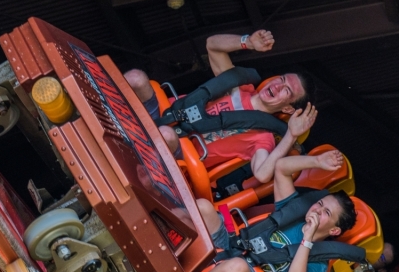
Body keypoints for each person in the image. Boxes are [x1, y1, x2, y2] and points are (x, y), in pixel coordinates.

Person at [124, 30, 316, 183]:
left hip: (177, 151)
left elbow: (262, 175)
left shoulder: (262, 137)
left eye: (287, 91)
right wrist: (247, 41)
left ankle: (127, 157)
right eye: (281, 79)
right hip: (164, 114)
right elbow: (212, 45)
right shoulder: (239, 85)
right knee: (136, 78)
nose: (277, 86)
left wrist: (291, 135)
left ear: (289, 109)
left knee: (166, 135)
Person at [193, 149, 356, 272]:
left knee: (237, 266)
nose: (317, 210)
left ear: (334, 230)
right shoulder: (294, 212)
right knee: (203, 207)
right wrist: (317, 161)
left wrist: (307, 239)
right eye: (319, 204)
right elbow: (281, 167)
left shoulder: (319, 263)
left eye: (326, 212)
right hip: (234, 243)